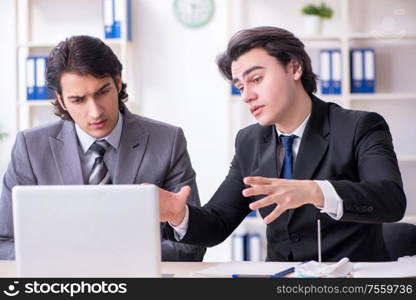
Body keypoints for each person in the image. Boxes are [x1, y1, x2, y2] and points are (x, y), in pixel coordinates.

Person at [159, 26, 406, 262]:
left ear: (294, 68)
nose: (246, 95)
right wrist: (178, 214)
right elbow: (219, 222)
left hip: (350, 278)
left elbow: (390, 200)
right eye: (240, 86)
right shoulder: (249, 141)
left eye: (255, 79)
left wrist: (314, 191)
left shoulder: (359, 126)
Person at [0, 35, 205, 261]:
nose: (95, 111)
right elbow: (5, 243)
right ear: (61, 100)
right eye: (78, 100)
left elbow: (192, 246)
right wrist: (63, 260)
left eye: (102, 92)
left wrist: (112, 259)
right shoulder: (30, 148)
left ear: (117, 82)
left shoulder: (167, 141)